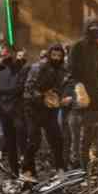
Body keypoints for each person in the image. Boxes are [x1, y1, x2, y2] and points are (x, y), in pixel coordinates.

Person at [21, 43, 71, 183]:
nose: (56, 58)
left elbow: (61, 87)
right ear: (49, 55)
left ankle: (60, 169)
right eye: (53, 55)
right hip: (33, 109)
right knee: (34, 141)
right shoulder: (38, 68)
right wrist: (43, 97)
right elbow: (29, 88)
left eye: (59, 56)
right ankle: (27, 170)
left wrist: (59, 98)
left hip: (50, 110)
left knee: (57, 139)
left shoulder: (62, 70)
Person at [69, 17, 98, 169]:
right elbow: (73, 71)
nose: (95, 30)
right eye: (92, 27)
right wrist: (80, 89)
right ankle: (84, 168)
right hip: (87, 97)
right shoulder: (78, 47)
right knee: (87, 135)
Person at [0, 46, 27, 178]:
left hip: (16, 112)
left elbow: (18, 89)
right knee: (12, 143)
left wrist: (0, 91)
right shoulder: (0, 74)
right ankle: (16, 171)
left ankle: (22, 170)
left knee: (20, 142)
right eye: (3, 56)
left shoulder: (21, 72)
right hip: (8, 113)